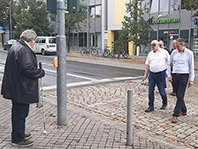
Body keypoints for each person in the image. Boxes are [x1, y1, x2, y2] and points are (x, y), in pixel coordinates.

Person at [1, 29, 45, 146]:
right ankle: (18, 138)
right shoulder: (24, 50)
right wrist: (40, 72)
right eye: (34, 41)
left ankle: (18, 133)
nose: (34, 43)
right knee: (21, 113)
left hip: (14, 87)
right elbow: (28, 69)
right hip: (21, 88)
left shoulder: (16, 46)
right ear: (31, 40)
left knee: (17, 112)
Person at [167, 38, 195, 123]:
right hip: (175, 75)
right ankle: (184, 109)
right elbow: (169, 64)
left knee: (180, 94)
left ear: (183, 45)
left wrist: (191, 79)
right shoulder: (174, 52)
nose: (177, 48)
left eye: (178, 46)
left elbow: (191, 66)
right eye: (176, 46)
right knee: (178, 94)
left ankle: (176, 114)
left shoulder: (189, 53)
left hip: (184, 75)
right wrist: (169, 75)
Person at [143, 40, 170, 112]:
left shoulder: (164, 52)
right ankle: (151, 106)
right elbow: (147, 64)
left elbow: (169, 62)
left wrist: (168, 72)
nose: (153, 46)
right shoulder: (150, 53)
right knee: (150, 90)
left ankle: (164, 103)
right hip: (152, 74)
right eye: (152, 45)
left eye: (154, 45)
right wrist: (145, 74)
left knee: (161, 90)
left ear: (158, 45)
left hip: (160, 74)